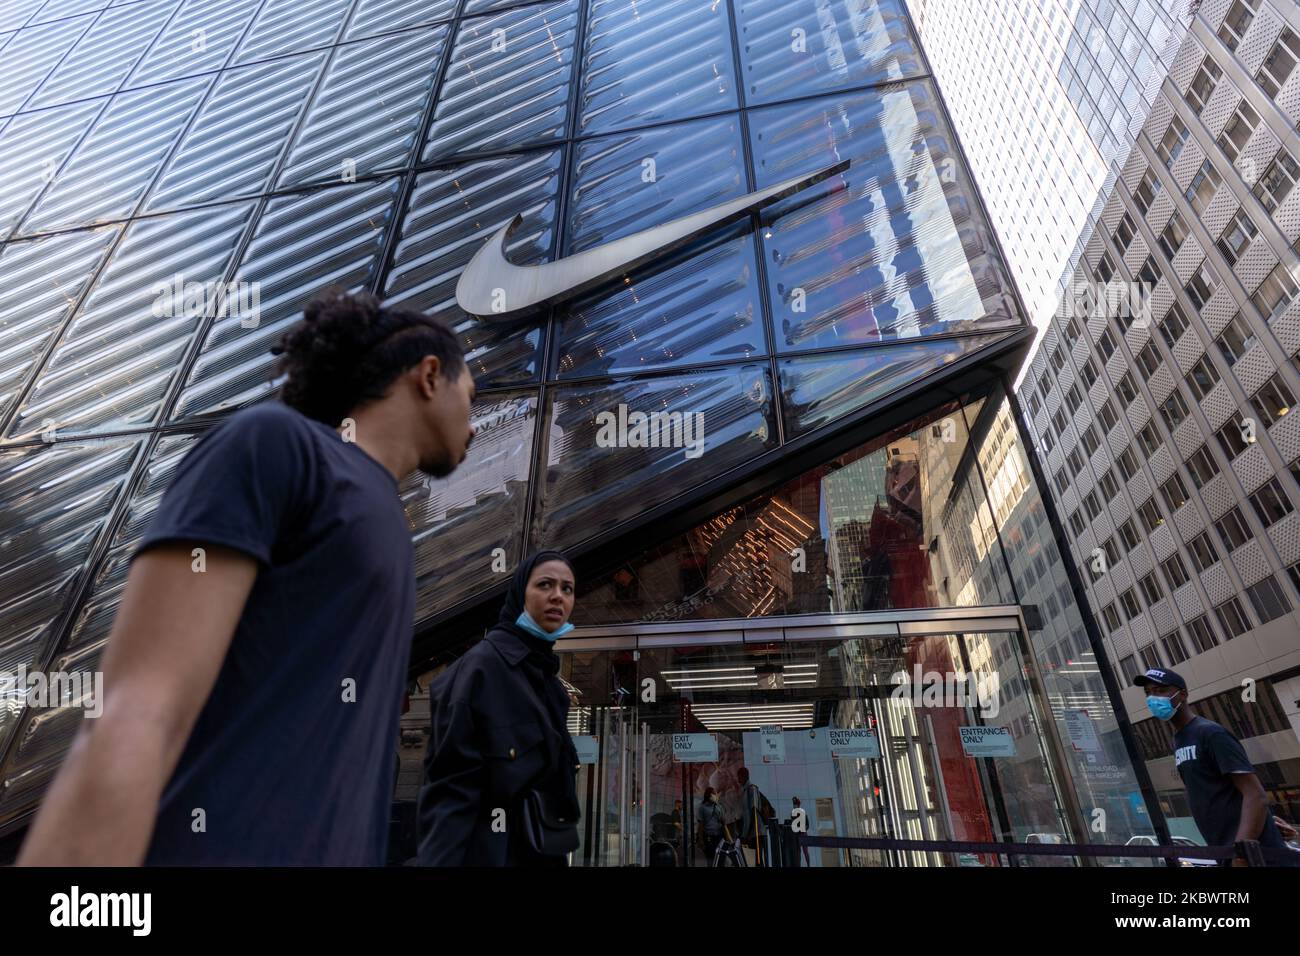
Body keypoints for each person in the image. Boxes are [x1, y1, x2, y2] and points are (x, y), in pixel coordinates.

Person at [18, 288, 475, 866]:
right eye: (472, 396)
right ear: (430, 375)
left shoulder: (387, 519)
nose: (476, 425)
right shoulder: (276, 444)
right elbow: (138, 706)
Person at [417, 551, 582, 866]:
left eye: (567, 589)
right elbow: (450, 795)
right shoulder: (481, 670)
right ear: (521, 593)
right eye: (545, 585)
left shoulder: (549, 684)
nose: (557, 597)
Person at [1137, 667, 1299, 867]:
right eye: (1148, 693)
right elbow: (1219, 792)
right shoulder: (1179, 738)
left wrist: (1241, 854)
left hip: (1253, 858)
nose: (1153, 698)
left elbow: (1255, 794)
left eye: (1160, 690)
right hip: (1224, 850)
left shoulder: (1211, 733)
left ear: (1183, 694)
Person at [698, 786, 727, 862]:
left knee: (721, 859)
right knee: (711, 859)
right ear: (709, 795)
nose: (716, 795)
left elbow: (724, 824)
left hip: (719, 836)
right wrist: (700, 839)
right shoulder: (702, 808)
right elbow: (700, 825)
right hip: (708, 837)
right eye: (714, 793)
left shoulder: (719, 807)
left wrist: (729, 839)